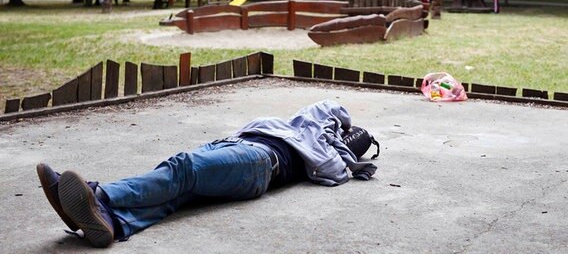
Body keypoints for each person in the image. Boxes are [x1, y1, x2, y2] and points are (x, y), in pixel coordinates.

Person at [36, 100, 378, 248]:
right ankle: (111, 223)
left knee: (182, 169)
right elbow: (327, 107)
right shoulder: (304, 124)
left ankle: (99, 197)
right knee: (179, 196)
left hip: (259, 162)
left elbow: (331, 171)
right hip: (234, 147)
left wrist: (340, 148)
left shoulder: (323, 150)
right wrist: (337, 126)